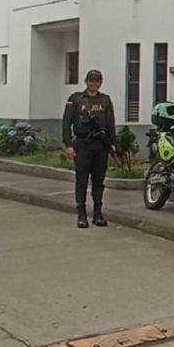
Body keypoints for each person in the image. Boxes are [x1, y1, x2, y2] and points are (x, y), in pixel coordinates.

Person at [62, 69, 116, 228]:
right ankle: (81, 215)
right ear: (86, 82)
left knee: (99, 181)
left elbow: (110, 123)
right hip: (82, 143)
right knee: (82, 180)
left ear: (101, 82)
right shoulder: (76, 99)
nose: (94, 84)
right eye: (91, 80)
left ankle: (98, 213)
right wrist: (68, 145)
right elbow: (66, 123)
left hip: (100, 145)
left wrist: (112, 143)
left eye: (97, 81)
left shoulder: (105, 100)